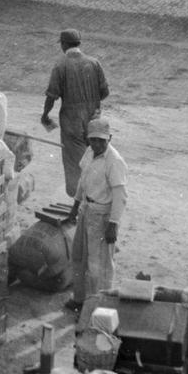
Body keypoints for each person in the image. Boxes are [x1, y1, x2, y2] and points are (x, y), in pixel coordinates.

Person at [65, 115, 127, 309]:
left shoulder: (114, 161)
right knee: (79, 258)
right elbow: (82, 183)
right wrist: (75, 207)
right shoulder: (89, 152)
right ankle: (79, 299)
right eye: (93, 139)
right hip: (85, 210)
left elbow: (120, 196)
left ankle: (100, 306)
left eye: (101, 140)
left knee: (99, 266)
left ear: (110, 138)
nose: (97, 144)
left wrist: (113, 225)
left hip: (102, 216)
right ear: (88, 139)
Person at [40, 28, 109, 197]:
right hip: (94, 118)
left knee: (75, 161)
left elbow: (52, 96)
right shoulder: (94, 63)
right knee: (95, 155)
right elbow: (105, 92)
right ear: (79, 43)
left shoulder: (60, 65)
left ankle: (79, 198)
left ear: (63, 44)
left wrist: (45, 115)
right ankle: (98, 191)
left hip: (72, 120)